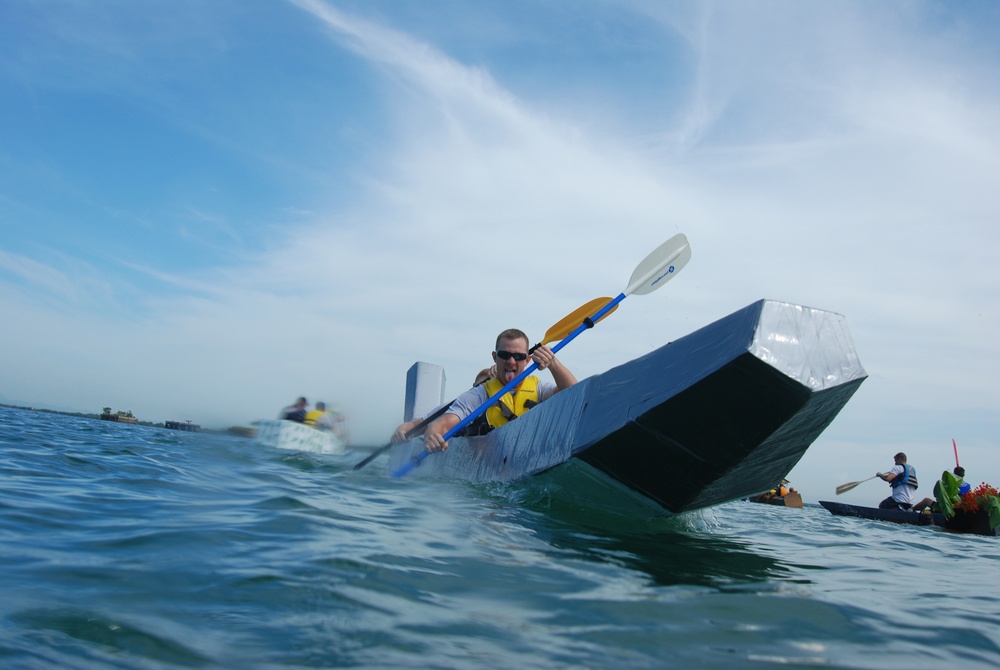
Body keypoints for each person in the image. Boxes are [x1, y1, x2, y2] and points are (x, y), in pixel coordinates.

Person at [422, 328, 578, 452]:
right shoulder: (479, 395)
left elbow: (575, 395)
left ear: (528, 360)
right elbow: (443, 423)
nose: (511, 361)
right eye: (504, 355)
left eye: (518, 356)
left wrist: (553, 364)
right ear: (495, 357)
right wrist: (433, 436)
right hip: (490, 465)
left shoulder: (540, 389)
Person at [391, 368, 492, 444]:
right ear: (473, 386)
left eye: (488, 388)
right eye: (479, 387)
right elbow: (414, 426)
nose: (482, 391)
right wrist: (402, 430)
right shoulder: (456, 408)